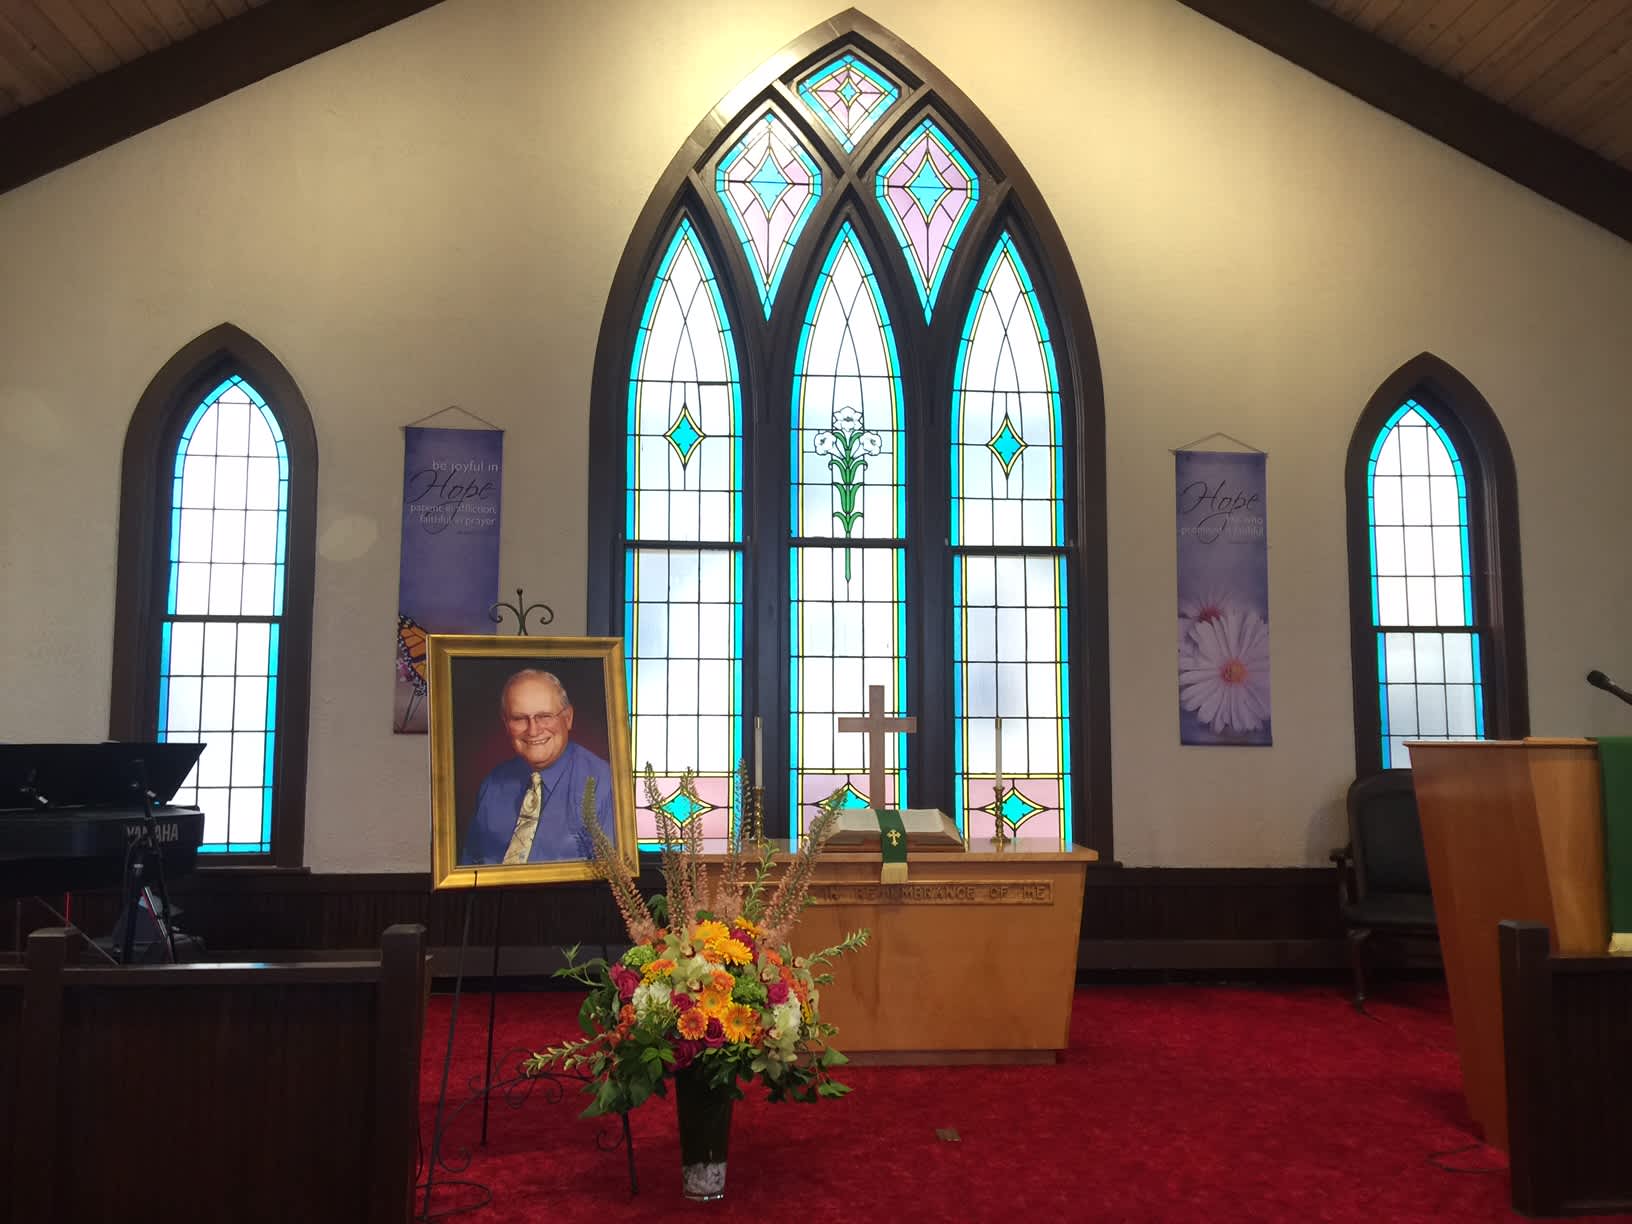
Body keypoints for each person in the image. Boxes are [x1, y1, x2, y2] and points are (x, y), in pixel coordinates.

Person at [459, 668, 615, 865]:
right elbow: (470, 867)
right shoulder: (492, 785)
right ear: (506, 723)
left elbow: (614, 876)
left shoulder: (606, 783)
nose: (533, 730)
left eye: (545, 716)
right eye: (519, 718)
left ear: (568, 718)